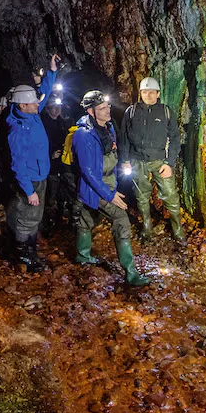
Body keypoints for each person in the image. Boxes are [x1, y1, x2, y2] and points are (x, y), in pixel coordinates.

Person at [72, 89, 150, 286]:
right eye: (101, 108)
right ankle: (131, 273)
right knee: (121, 219)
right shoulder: (83, 135)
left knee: (88, 217)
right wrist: (110, 194)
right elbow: (89, 172)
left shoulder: (108, 127)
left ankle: (82, 256)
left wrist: (115, 179)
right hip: (94, 186)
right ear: (91, 112)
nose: (108, 110)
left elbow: (112, 156)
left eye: (107, 106)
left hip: (106, 182)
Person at [4, 55, 61, 272]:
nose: (39, 104)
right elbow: (17, 165)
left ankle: (30, 252)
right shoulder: (17, 130)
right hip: (30, 179)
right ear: (22, 105)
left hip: (41, 175)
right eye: (34, 102)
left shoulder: (32, 114)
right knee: (26, 218)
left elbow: (44, 93)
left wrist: (52, 72)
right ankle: (22, 256)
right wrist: (29, 191)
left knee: (35, 217)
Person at [119, 76, 183, 242]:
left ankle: (178, 230)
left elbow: (175, 138)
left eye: (152, 92)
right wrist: (125, 160)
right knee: (141, 196)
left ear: (158, 93)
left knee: (171, 195)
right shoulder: (131, 112)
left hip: (160, 161)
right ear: (140, 93)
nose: (148, 95)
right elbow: (124, 138)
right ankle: (147, 227)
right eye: (145, 92)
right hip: (137, 161)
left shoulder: (166, 112)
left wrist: (170, 163)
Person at [41, 96, 70, 237]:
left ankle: (59, 223)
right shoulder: (43, 124)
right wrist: (50, 155)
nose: (57, 109)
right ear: (47, 108)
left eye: (59, 106)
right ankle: (48, 226)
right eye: (53, 106)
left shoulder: (63, 123)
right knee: (50, 197)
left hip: (62, 166)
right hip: (50, 167)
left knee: (62, 195)